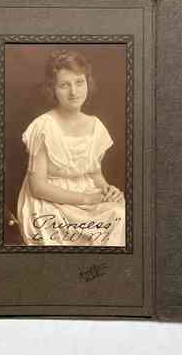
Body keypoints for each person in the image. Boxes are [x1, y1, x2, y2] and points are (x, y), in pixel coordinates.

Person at [17, 49, 125, 246]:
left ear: (88, 83)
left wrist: (108, 190)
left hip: (86, 197)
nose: (74, 92)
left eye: (79, 82)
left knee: (118, 213)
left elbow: (95, 174)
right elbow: (38, 187)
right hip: (49, 202)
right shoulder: (43, 127)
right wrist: (87, 199)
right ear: (53, 89)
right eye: (64, 85)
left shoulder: (96, 126)